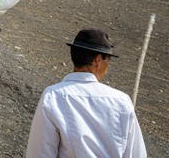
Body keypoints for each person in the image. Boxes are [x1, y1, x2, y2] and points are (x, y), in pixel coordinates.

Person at [26, 29, 147, 157]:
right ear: (98, 60)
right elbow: (136, 154)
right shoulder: (122, 101)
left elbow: (39, 153)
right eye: (108, 61)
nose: (107, 68)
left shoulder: (53, 96)